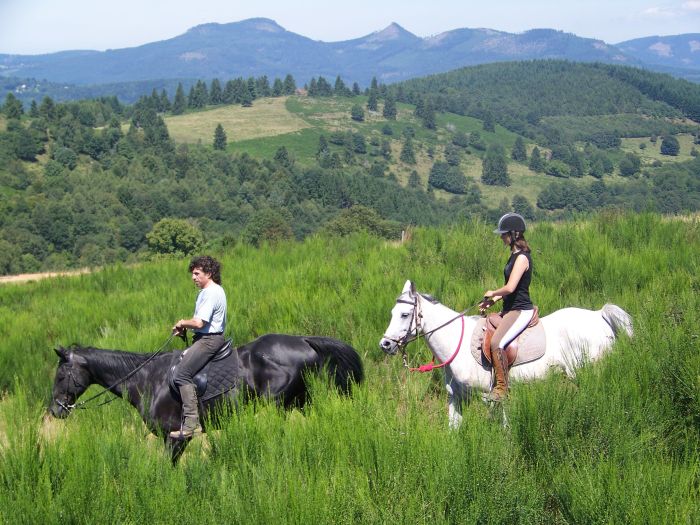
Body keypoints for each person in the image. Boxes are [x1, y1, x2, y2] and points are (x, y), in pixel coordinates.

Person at [479, 213, 534, 402]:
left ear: (514, 234)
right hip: (510, 308)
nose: (501, 237)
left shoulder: (522, 259)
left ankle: (501, 389)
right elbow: (510, 289)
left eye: (504, 234)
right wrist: (491, 301)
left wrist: (493, 292)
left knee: (497, 343)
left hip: (521, 310)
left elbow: (510, 287)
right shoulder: (513, 256)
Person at [170, 255, 227, 439]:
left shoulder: (211, 292)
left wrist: (182, 323)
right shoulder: (209, 291)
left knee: (181, 374)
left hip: (209, 340)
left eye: (197, 273)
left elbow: (199, 322)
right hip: (205, 338)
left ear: (208, 273)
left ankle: (191, 424)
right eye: (192, 274)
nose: (193, 277)